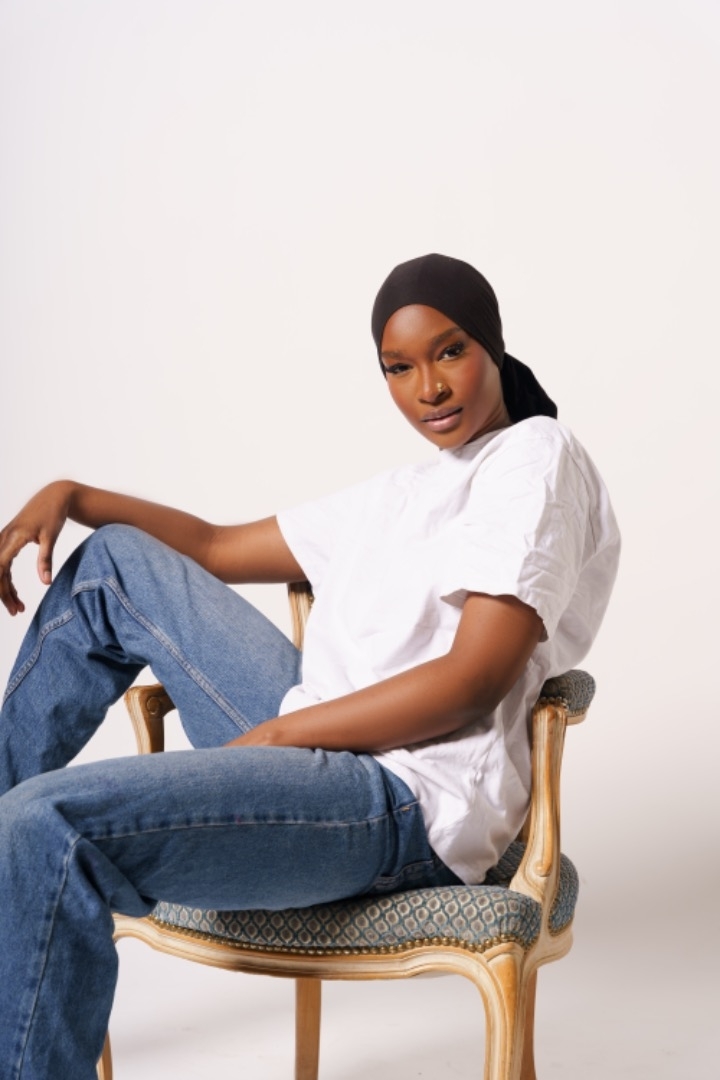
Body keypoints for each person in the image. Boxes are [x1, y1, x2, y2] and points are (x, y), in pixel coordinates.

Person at [0, 253, 620, 1079]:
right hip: (313, 748)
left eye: (451, 351)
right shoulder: (403, 492)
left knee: (45, 822)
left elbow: (473, 680)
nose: (430, 387)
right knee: (114, 561)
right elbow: (216, 546)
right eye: (399, 367)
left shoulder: (535, 458)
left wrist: (281, 734)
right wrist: (73, 495)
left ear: (493, 346)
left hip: (400, 798)